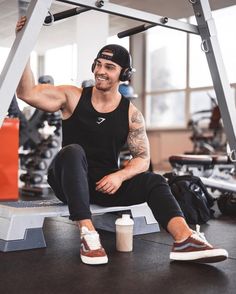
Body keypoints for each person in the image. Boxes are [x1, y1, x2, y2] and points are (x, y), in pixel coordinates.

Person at [16, 16, 228, 265]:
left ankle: (184, 239)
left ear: (123, 74)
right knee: (73, 150)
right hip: (67, 182)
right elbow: (26, 93)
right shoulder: (72, 97)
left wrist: (119, 176)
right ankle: (87, 232)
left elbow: (142, 159)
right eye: (98, 64)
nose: (100, 71)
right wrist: (25, 45)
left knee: (156, 180)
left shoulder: (131, 114)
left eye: (109, 67)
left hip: (104, 185)